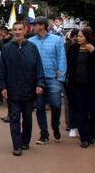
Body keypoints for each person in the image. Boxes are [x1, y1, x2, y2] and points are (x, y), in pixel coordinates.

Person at [0, 22, 45, 156]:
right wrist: (2, 87)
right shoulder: (6, 48)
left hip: (29, 91)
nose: (17, 32)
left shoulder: (32, 48)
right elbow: (2, 69)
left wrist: (40, 84)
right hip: (12, 91)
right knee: (14, 118)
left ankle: (25, 141)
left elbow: (38, 68)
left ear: (25, 31)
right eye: (15, 29)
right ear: (12, 31)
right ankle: (17, 145)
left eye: (20, 29)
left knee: (27, 118)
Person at [66, 27, 95, 148]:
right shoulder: (73, 49)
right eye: (77, 36)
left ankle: (92, 134)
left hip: (94, 87)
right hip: (77, 87)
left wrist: (93, 52)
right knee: (80, 112)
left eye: (80, 36)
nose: (77, 38)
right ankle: (84, 137)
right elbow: (69, 66)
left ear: (87, 37)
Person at [28, 16, 67, 144]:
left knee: (56, 105)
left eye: (35, 25)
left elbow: (62, 57)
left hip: (53, 78)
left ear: (42, 26)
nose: (33, 27)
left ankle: (55, 126)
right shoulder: (31, 41)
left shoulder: (57, 40)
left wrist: (61, 77)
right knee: (39, 106)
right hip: (37, 79)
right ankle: (44, 134)